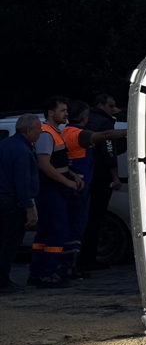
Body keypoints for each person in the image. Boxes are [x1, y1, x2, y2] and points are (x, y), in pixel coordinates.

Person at [61, 99, 125, 279]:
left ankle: (71, 265)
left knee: (77, 226)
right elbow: (106, 139)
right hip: (81, 186)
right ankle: (72, 266)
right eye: (111, 105)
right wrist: (132, 132)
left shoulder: (67, 131)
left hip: (79, 183)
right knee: (80, 226)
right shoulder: (78, 133)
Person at [31, 96, 82, 288]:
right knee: (57, 231)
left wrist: (72, 175)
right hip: (50, 190)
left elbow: (57, 162)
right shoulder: (46, 134)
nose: (66, 113)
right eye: (62, 110)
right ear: (51, 113)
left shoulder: (53, 133)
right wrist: (68, 183)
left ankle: (37, 273)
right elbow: (44, 164)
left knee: (44, 234)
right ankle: (48, 274)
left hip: (51, 189)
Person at [79, 92, 125, 271]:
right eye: (111, 106)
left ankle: (82, 258)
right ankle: (88, 259)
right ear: (101, 106)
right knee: (96, 219)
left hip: (86, 175)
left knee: (84, 219)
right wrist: (114, 176)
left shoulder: (87, 120)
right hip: (100, 178)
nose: (114, 109)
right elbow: (108, 152)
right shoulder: (105, 123)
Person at [0, 114, 41, 293]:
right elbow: (22, 183)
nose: (41, 132)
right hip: (12, 201)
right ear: (28, 130)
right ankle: (3, 281)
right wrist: (29, 209)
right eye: (38, 128)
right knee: (10, 242)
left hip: (3, 197)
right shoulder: (23, 152)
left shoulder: (4, 144)